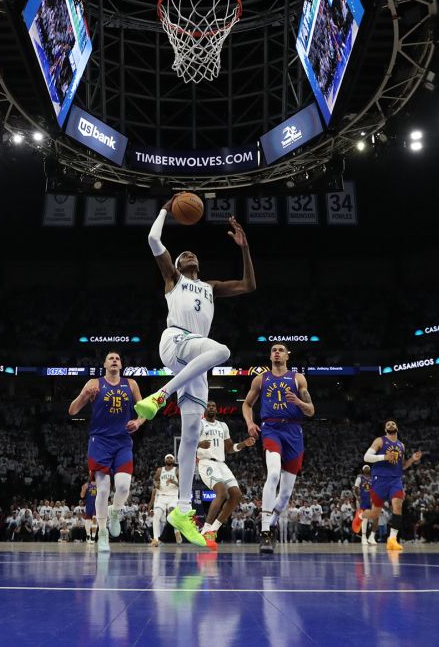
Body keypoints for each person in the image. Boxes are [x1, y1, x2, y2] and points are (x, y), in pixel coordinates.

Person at [134, 201, 255, 549]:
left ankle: (183, 509)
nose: (187, 253)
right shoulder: (172, 280)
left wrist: (245, 248)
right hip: (175, 342)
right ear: (175, 264)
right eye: (182, 253)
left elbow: (248, 285)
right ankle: (160, 395)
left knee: (189, 436)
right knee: (223, 351)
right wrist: (163, 210)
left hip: (194, 363)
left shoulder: (210, 286)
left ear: (198, 264)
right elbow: (153, 239)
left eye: (191, 253)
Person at [241, 343, 315, 554]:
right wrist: (249, 424)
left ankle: (271, 522)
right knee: (272, 474)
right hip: (271, 428)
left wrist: (299, 403)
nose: (277, 352)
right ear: (270, 355)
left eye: (281, 350)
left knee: (284, 494)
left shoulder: (298, 378)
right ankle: (265, 532)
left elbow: (311, 411)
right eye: (274, 350)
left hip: (293, 431)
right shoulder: (261, 379)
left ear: (287, 356)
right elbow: (246, 404)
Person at [68, 351, 145, 553]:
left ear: (121, 365)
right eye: (110, 358)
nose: (114, 360)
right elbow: (72, 411)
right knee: (102, 490)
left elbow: (145, 409)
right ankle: (102, 533)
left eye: (118, 358)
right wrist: (85, 395)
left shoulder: (131, 384)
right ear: (104, 364)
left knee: (123, 486)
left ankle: (115, 512)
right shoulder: (94, 383)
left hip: (122, 441)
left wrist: (138, 421)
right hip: (100, 441)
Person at [196, 399, 256, 550]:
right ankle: (205, 530)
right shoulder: (199, 424)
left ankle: (213, 530)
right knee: (221, 493)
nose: (211, 407)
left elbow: (229, 448)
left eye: (213, 405)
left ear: (217, 409)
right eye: (208, 406)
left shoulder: (223, 426)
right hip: (206, 462)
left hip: (221, 463)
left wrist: (243, 444)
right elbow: (187, 442)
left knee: (236, 494)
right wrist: (198, 444)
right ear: (204, 410)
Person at [362, 419, 423, 551]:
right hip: (380, 479)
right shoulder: (380, 441)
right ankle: (360, 516)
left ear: (397, 428)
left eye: (393, 424)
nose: (391, 425)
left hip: (395, 480)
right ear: (385, 429)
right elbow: (366, 457)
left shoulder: (402, 445)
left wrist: (412, 459)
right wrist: (384, 457)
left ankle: (392, 539)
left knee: (397, 506)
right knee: (374, 514)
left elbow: (402, 467)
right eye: (388, 424)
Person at [148, 454, 181, 547]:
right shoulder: (160, 470)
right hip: (161, 496)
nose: (169, 459)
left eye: (171, 458)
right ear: (165, 460)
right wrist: (156, 484)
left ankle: (177, 531)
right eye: (168, 458)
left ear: (174, 461)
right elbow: (154, 479)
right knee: (156, 516)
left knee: (171, 514)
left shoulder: (177, 470)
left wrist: (174, 481)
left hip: (172, 497)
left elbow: (181, 484)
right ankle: (155, 539)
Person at [351, 464, 376, 545]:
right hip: (364, 499)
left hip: (372, 499)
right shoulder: (359, 478)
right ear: (363, 470)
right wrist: (357, 496)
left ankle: (371, 537)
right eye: (365, 467)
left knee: (374, 518)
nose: (367, 468)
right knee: (365, 518)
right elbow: (354, 489)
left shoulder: (373, 478)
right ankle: (364, 537)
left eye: (368, 467)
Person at [79, 478, 98, 543]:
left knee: (94, 519)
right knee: (88, 521)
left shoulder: (99, 484)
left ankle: (93, 537)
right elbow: (82, 496)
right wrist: (83, 489)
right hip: (88, 505)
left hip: (96, 505)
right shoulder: (86, 485)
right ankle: (88, 535)